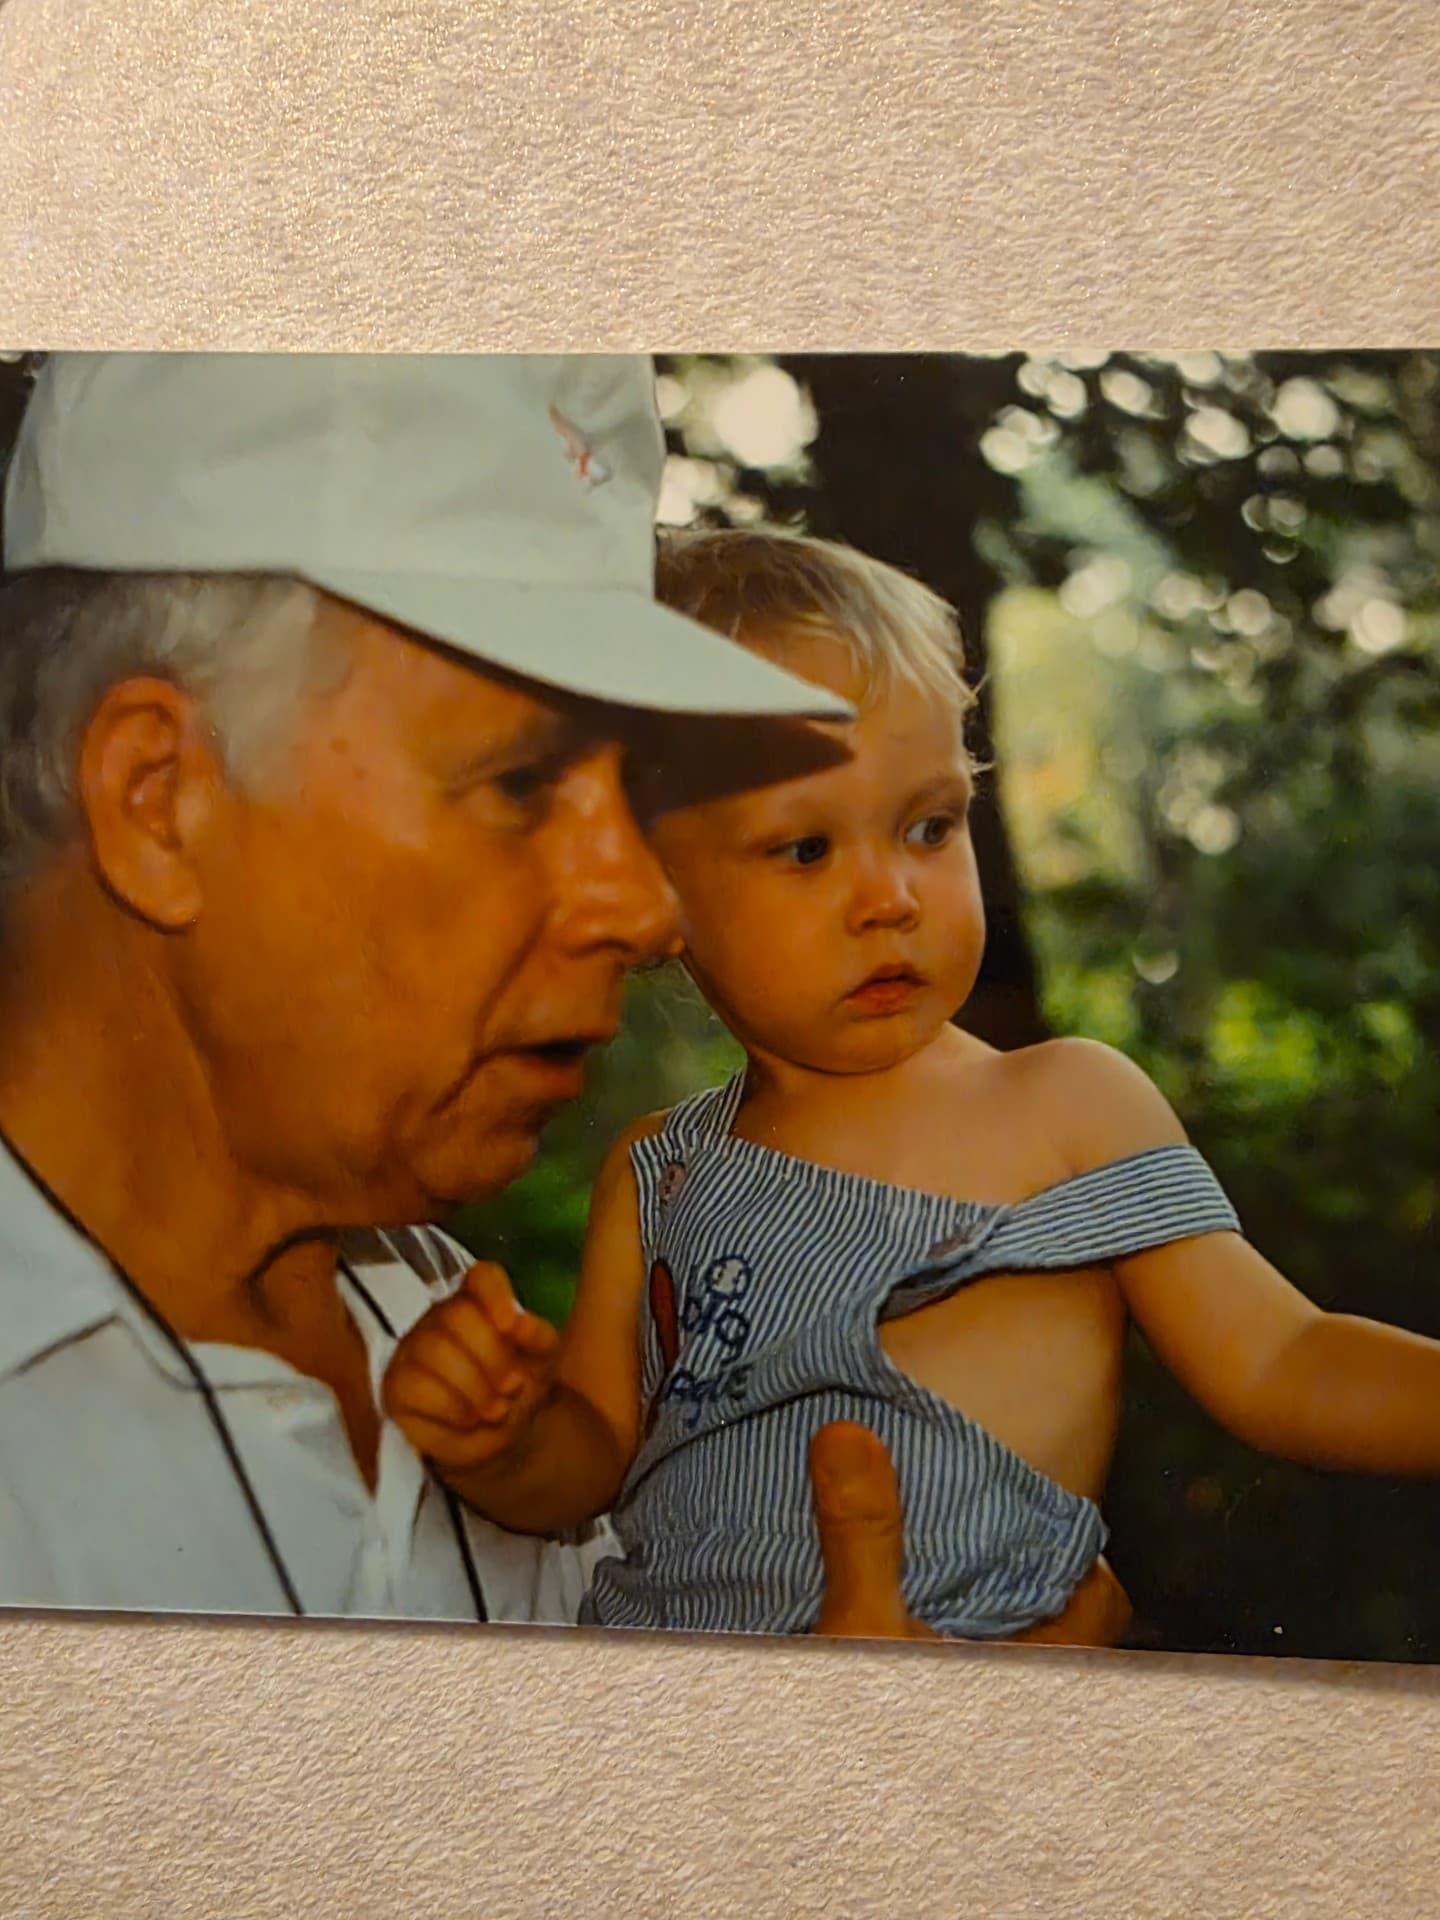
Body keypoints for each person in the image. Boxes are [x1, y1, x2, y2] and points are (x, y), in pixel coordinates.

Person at [0, 350, 942, 1629]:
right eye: (520, 782)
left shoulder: (472, 1348)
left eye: (638, 793)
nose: (649, 910)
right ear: (158, 802)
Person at [384, 524, 1440, 1643]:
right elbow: (588, 1463)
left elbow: (1282, 1357)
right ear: (650, 892)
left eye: (929, 826)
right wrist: (504, 1442)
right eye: (806, 850)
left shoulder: (1064, 1106)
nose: (889, 896)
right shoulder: (657, 1171)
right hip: (672, 1708)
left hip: (975, 1710)